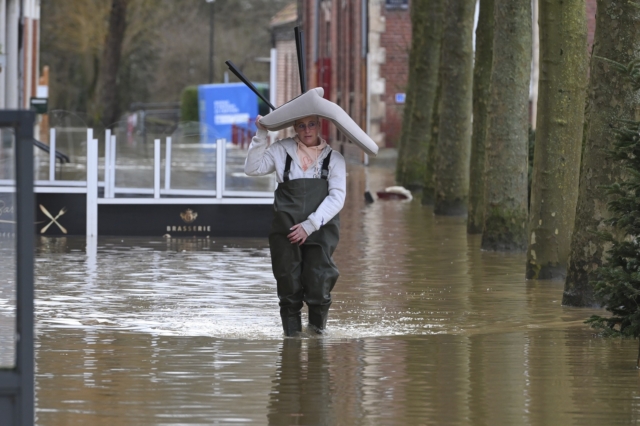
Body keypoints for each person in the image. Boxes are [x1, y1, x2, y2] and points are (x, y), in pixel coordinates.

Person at [244, 115, 346, 336]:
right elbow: (252, 169)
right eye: (301, 125)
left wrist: (309, 226)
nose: (307, 130)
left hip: (321, 229)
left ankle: (317, 340)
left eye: (311, 124)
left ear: (319, 125)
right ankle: (291, 343)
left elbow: (337, 198)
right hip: (286, 229)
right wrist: (261, 133)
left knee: (319, 285)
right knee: (288, 287)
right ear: (294, 127)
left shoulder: (334, 159)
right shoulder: (281, 151)